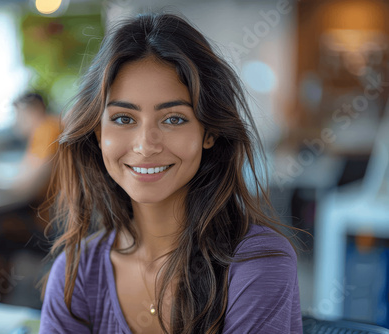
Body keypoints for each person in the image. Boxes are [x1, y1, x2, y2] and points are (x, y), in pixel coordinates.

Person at [39, 12, 303, 334]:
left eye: (174, 119)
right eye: (123, 118)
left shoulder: (258, 263)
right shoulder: (76, 271)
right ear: (97, 132)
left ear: (209, 132)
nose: (146, 146)